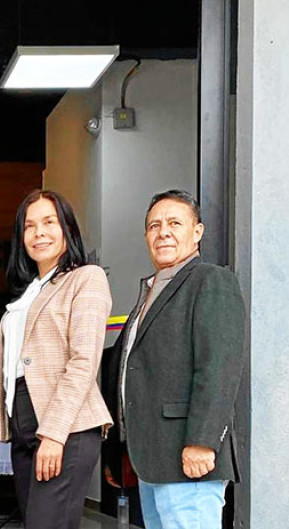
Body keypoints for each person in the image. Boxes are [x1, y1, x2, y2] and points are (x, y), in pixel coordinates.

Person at [104, 190, 246, 529]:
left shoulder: (210, 281)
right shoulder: (151, 291)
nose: (163, 231)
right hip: (153, 459)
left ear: (197, 232)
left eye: (174, 223)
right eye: (154, 225)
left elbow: (218, 368)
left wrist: (202, 441)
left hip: (188, 457)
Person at [0, 190, 113, 529]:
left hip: (65, 425)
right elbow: (20, 368)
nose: (39, 233)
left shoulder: (86, 278)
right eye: (30, 226)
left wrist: (53, 434)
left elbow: (83, 362)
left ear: (68, 229)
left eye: (49, 222)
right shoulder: (29, 291)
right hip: (23, 426)